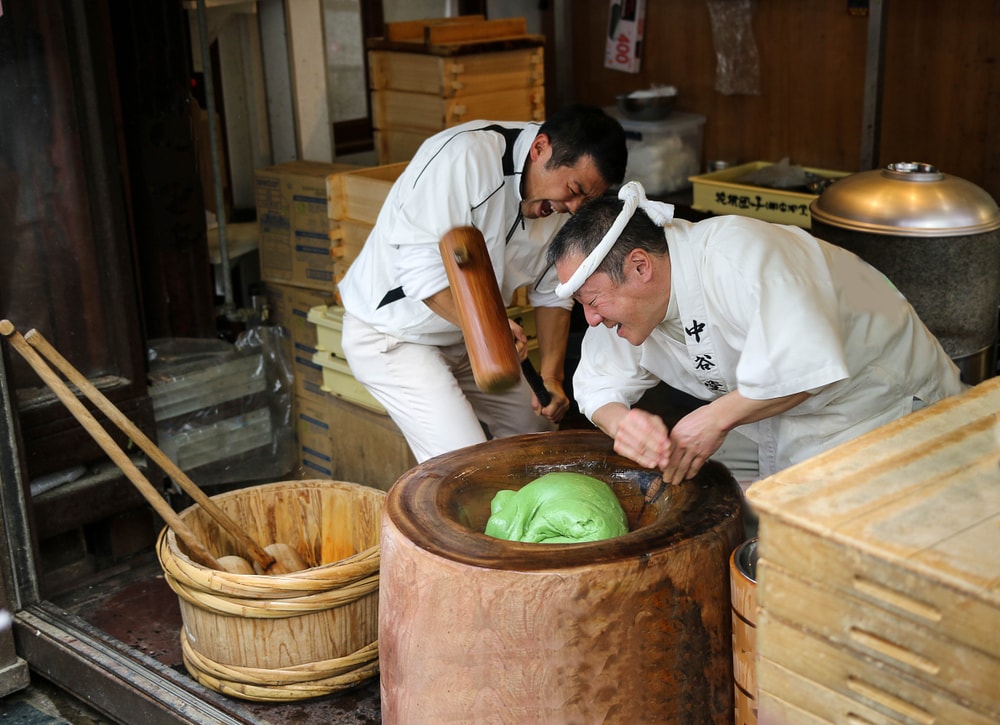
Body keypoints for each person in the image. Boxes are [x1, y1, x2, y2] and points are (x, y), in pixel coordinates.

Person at [547, 181, 966, 487]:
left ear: (640, 266)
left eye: (593, 300)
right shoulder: (627, 307)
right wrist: (624, 425)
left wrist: (713, 419)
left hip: (873, 404)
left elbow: (807, 364)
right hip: (777, 420)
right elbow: (597, 386)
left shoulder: (741, 257)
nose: (592, 319)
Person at [338, 105, 628, 463]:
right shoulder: (464, 159)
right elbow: (421, 275)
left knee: (537, 435)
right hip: (395, 336)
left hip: (474, 337)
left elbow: (552, 291)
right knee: (465, 463)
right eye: (572, 189)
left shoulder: (561, 202)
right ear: (540, 149)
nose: (572, 207)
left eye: (587, 199)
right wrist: (489, 330)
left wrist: (551, 377)